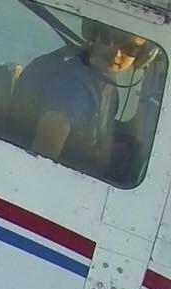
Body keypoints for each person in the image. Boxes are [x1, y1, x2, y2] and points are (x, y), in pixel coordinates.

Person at [11, 19, 149, 181]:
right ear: (95, 34)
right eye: (109, 39)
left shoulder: (104, 82)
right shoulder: (73, 86)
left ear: (142, 56)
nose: (117, 53)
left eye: (130, 48)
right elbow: (42, 160)